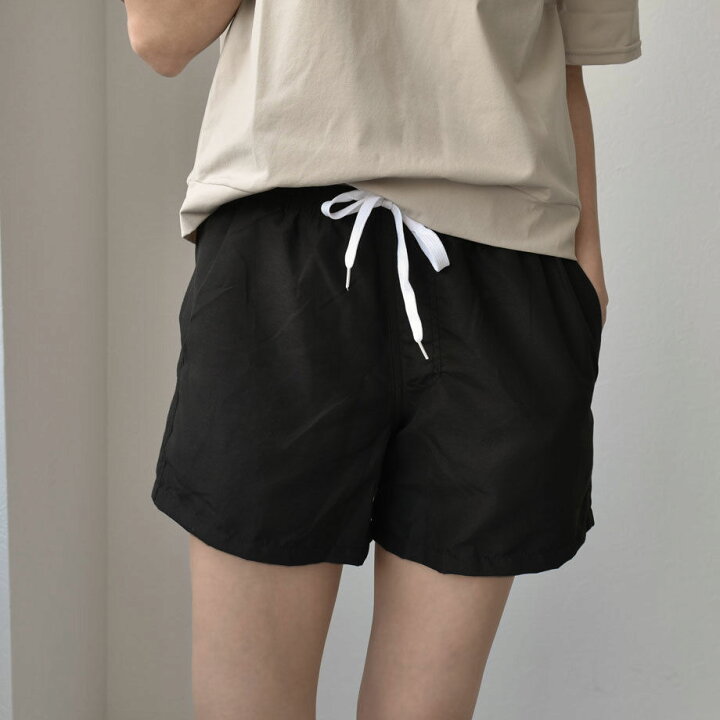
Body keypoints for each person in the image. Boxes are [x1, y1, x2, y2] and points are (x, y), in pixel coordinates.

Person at [123, 1, 641, 718]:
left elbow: (562, 59)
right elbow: (161, 37)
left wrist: (587, 272)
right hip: (282, 255)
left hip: (507, 264)